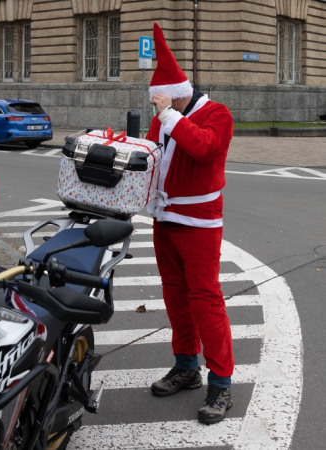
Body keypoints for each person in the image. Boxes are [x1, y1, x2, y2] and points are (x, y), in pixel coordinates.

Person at [145, 23, 235, 425]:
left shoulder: (216, 114)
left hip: (199, 222)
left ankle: (222, 384)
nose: (158, 111)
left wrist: (168, 116)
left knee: (206, 301)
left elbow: (204, 148)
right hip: (164, 220)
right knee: (175, 297)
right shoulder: (163, 117)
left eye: (164, 103)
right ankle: (186, 366)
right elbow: (149, 157)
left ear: (180, 94)